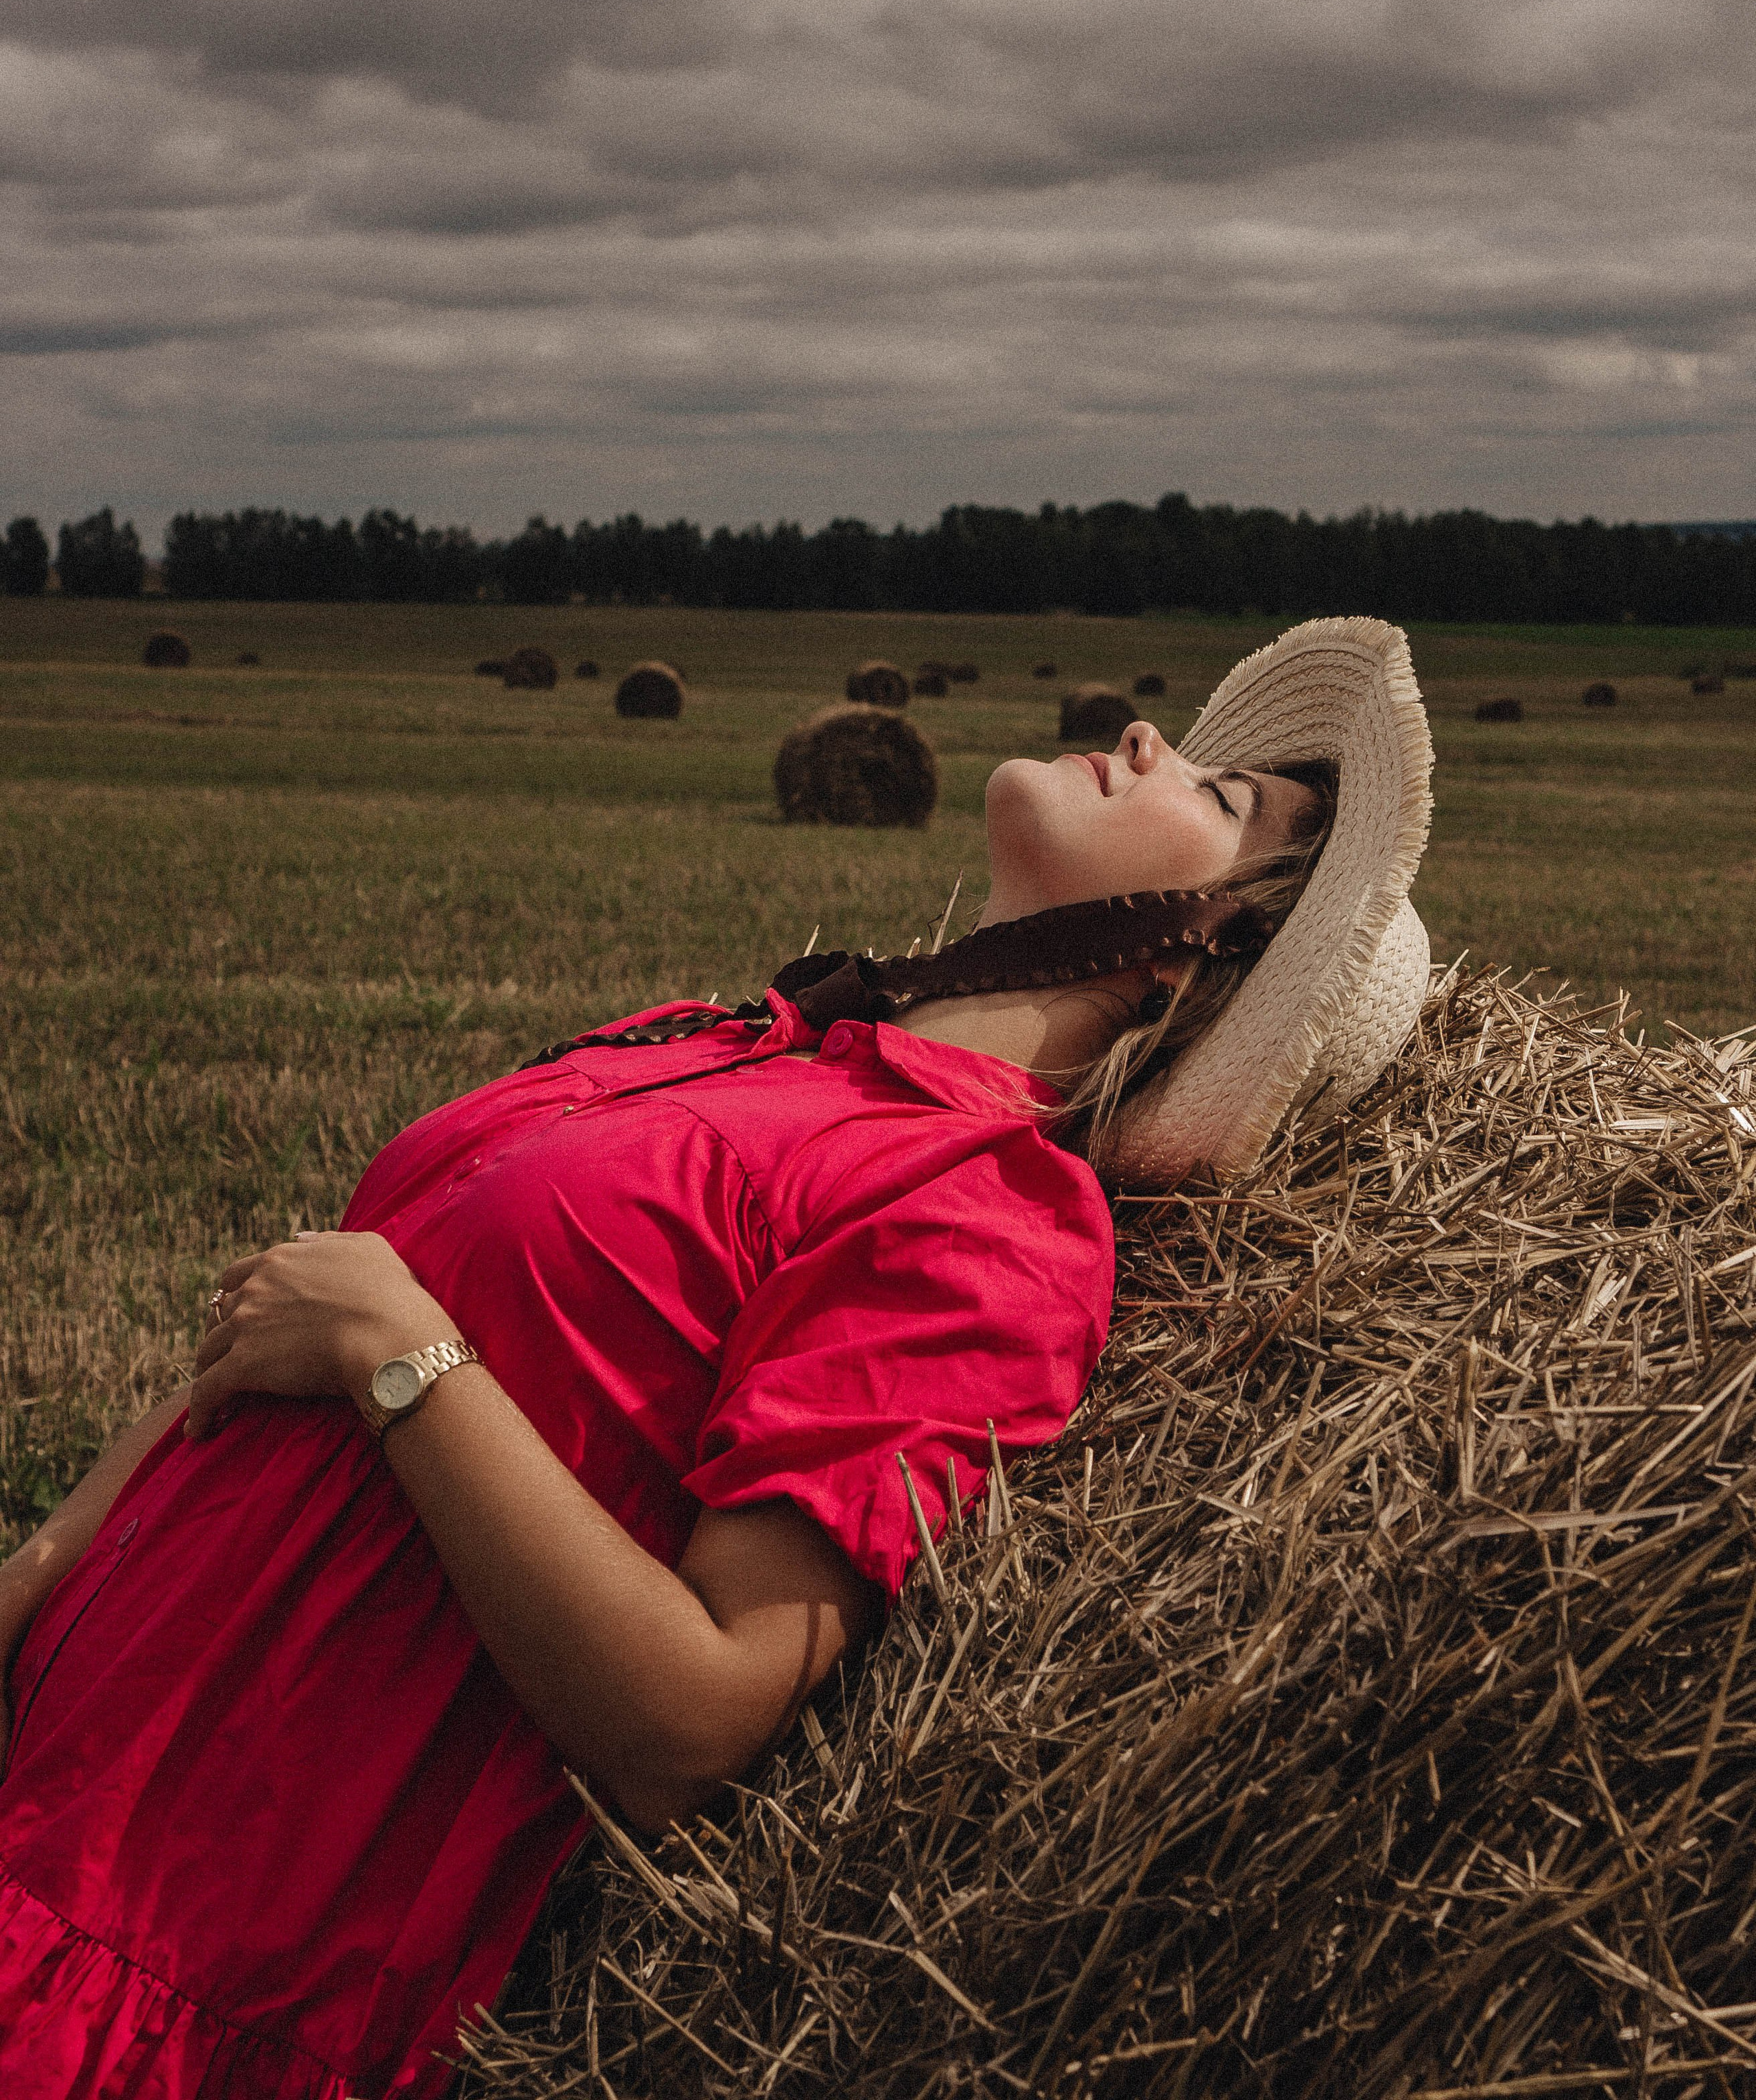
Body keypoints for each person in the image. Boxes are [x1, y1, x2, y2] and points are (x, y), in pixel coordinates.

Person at [0, 617, 1432, 2099]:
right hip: (47, 1766)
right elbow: (280, 1326)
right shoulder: (744, 1040)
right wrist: (35, 1578)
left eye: (1213, 798)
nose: (1144, 736)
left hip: (185, 1948)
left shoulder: (978, 1213)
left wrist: (401, 1350)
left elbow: (690, 1724)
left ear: (1199, 964)